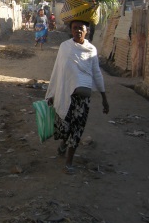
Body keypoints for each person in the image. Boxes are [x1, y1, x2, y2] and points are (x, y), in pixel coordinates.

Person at [45, 20, 109, 174]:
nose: (78, 31)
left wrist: (104, 98)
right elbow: (57, 71)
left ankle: (69, 162)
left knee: (77, 130)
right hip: (65, 94)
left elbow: (97, 74)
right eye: (75, 28)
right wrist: (51, 93)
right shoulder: (65, 47)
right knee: (65, 128)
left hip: (82, 99)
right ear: (71, 30)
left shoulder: (91, 50)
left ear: (87, 31)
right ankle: (63, 144)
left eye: (81, 28)